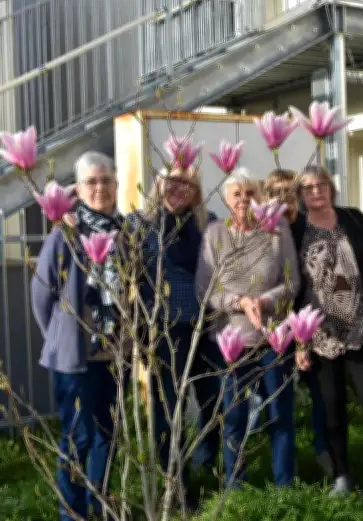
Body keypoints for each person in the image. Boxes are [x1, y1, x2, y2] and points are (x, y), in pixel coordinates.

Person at [290, 165, 363, 500]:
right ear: (300, 195)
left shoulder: (353, 218)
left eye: (321, 185)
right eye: (308, 187)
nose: (316, 192)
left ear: (331, 187)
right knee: (331, 405)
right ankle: (342, 475)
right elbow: (293, 285)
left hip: (360, 330)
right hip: (320, 335)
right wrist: (300, 340)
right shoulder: (296, 229)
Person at [31, 151, 129, 521]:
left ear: (117, 185)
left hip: (113, 355)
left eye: (106, 180)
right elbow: (42, 294)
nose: (100, 188)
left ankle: (99, 506)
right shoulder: (66, 234)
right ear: (79, 188)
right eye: (92, 182)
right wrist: (59, 337)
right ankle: (72, 514)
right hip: (75, 359)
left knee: (108, 436)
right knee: (77, 439)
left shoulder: (124, 234)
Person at [195, 168, 300, 487]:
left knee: (280, 415)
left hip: (272, 340)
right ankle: (235, 485)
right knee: (234, 417)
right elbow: (205, 290)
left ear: (260, 196)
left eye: (250, 192)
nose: (244, 199)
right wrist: (239, 302)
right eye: (237, 193)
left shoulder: (277, 229)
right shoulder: (215, 233)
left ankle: (284, 485)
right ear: (226, 201)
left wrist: (265, 302)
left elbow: (292, 281)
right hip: (231, 343)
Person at [127, 165, 221, 507]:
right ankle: (175, 483)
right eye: (173, 181)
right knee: (169, 408)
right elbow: (128, 276)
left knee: (214, 401)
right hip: (163, 329)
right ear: (158, 184)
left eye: (188, 183)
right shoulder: (138, 224)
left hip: (205, 326)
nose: (180, 188)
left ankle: (207, 465)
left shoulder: (207, 222)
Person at [263, 169, 333, 476]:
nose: (283, 200)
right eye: (276, 193)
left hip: (312, 323)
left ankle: (325, 453)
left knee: (321, 394)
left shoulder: (310, 228)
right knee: (280, 400)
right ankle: (284, 466)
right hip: (275, 328)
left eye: (289, 193)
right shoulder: (263, 234)